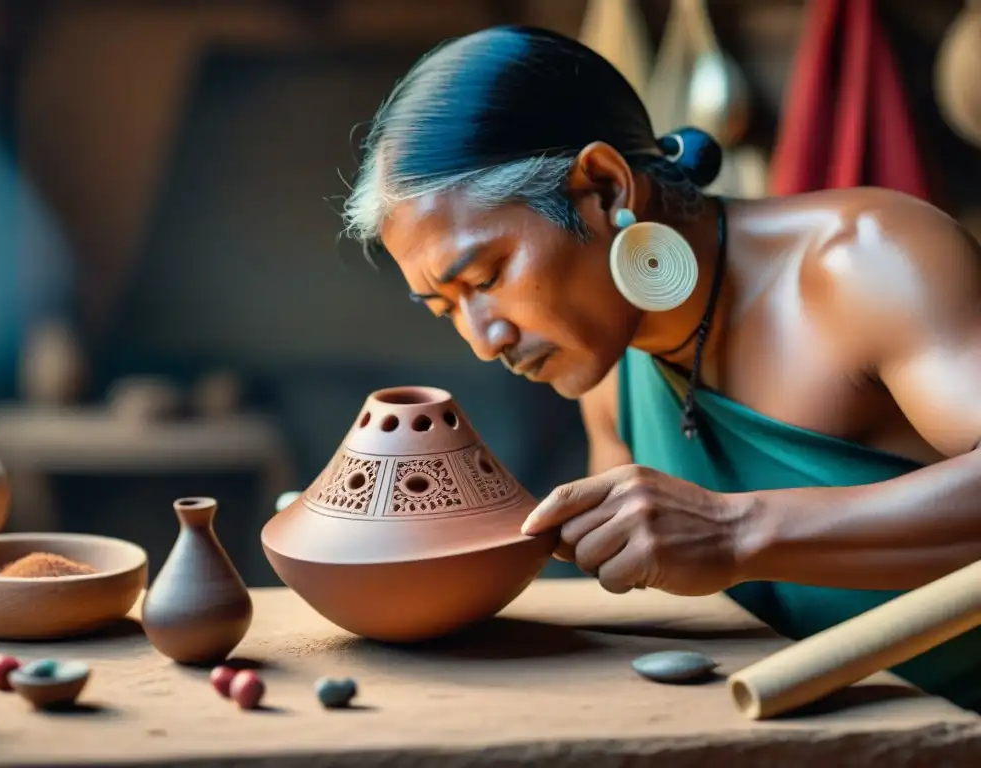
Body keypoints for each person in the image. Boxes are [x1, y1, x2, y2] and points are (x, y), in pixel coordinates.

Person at [340, 25, 981, 712]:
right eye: (446, 308)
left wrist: (738, 531)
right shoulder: (611, 379)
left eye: (487, 276)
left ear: (606, 188)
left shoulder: (867, 263)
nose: (484, 340)